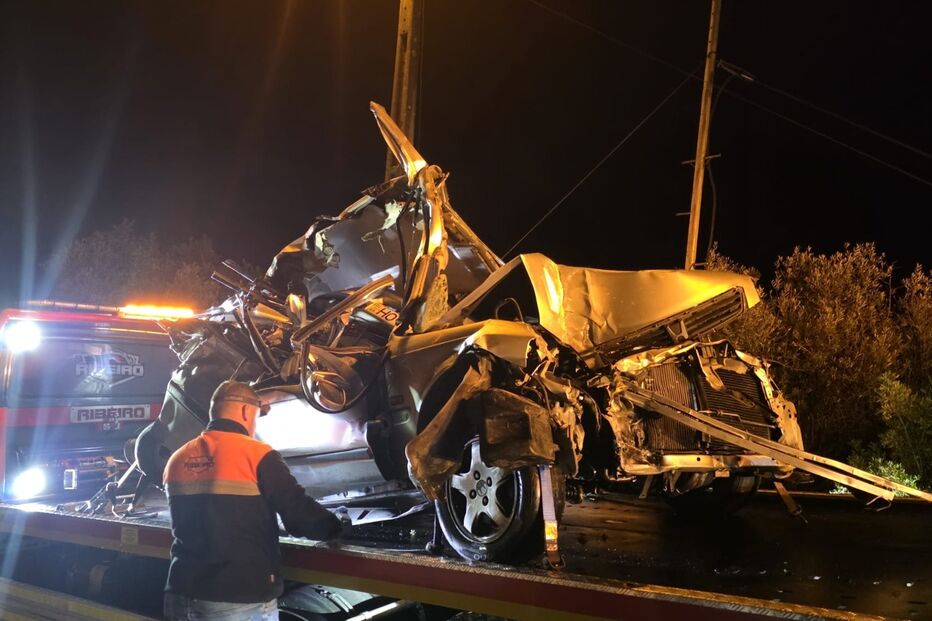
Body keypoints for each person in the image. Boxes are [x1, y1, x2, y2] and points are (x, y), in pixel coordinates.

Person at [162, 380, 349, 621]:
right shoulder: (257, 455)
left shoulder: (178, 458)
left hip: (180, 594)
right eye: (256, 416)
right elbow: (299, 516)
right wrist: (336, 527)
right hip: (237, 598)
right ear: (245, 411)